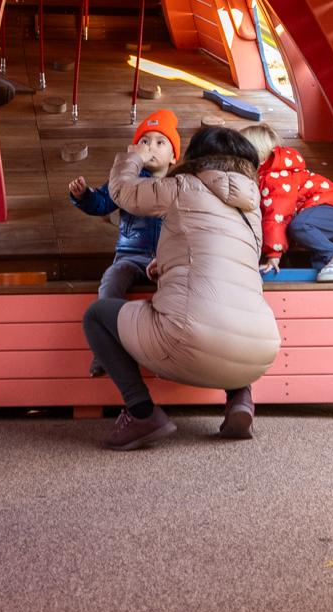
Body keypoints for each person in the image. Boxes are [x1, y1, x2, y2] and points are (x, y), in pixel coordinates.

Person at [81, 124, 278, 448]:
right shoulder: (251, 207)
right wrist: (169, 263)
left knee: (98, 314)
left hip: (189, 339)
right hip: (260, 349)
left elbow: (123, 193)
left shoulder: (182, 185)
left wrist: (133, 157)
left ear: (194, 158)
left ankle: (141, 413)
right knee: (230, 308)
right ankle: (240, 399)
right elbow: (220, 257)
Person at [67, 109, 179, 305]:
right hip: (131, 255)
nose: (150, 147)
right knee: (113, 277)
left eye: (160, 142)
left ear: (173, 157)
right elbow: (102, 202)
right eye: (144, 142)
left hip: (168, 259)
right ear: (134, 150)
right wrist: (84, 195)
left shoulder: (178, 184)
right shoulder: (127, 180)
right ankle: (107, 314)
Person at [240, 122, 333, 280]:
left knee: (300, 226)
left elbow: (277, 214)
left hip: (330, 210)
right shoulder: (276, 175)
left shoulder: (275, 178)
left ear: (256, 156)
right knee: (321, 268)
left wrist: (274, 254)